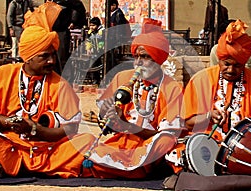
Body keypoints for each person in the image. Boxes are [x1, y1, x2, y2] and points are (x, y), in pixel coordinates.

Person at [78, 18, 187, 179]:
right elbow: (106, 125)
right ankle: (128, 169)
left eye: (144, 57)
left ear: (157, 59)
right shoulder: (122, 78)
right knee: (82, 143)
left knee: (167, 143)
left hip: (149, 145)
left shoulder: (172, 88)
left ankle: (127, 168)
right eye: (135, 56)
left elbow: (166, 134)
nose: (138, 62)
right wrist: (108, 117)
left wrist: (128, 126)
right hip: (121, 143)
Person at [0, 1, 82, 178]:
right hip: (6, 143)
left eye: (53, 54)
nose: (52, 61)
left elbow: (70, 130)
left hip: (48, 149)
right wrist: (6, 122)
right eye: (44, 56)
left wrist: (33, 130)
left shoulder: (60, 85)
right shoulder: (3, 75)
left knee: (84, 143)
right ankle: (15, 164)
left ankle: (13, 167)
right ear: (27, 57)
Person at [184, 19, 251, 141]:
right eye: (226, 64)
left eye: (237, 65)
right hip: (205, 147)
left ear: (244, 63)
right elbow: (185, 123)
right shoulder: (200, 80)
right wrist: (208, 116)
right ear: (219, 60)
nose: (230, 70)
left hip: (245, 149)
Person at [209, 19, 251, 101]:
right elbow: (214, 75)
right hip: (229, 87)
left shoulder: (250, 44)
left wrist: (246, 50)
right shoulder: (216, 50)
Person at [51, 0, 87, 82]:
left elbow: (78, 7)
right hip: (51, 31)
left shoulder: (69, 3)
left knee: (62, 57)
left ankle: (65, 80)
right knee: (53, 57)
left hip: (62, 30)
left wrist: (73, 21)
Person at [85, 17, 105, 85]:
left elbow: (102, 42)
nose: (92, 27)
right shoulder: (90, 32)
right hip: (94, 52)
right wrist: (88, 49)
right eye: (90, 25)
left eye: (93, 25)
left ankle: (99, 80)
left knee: (100, 66)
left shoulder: (101, 32)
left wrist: (99, 49)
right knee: (92, 65)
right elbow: (88, 41)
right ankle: (94, 80)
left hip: (101, 51)